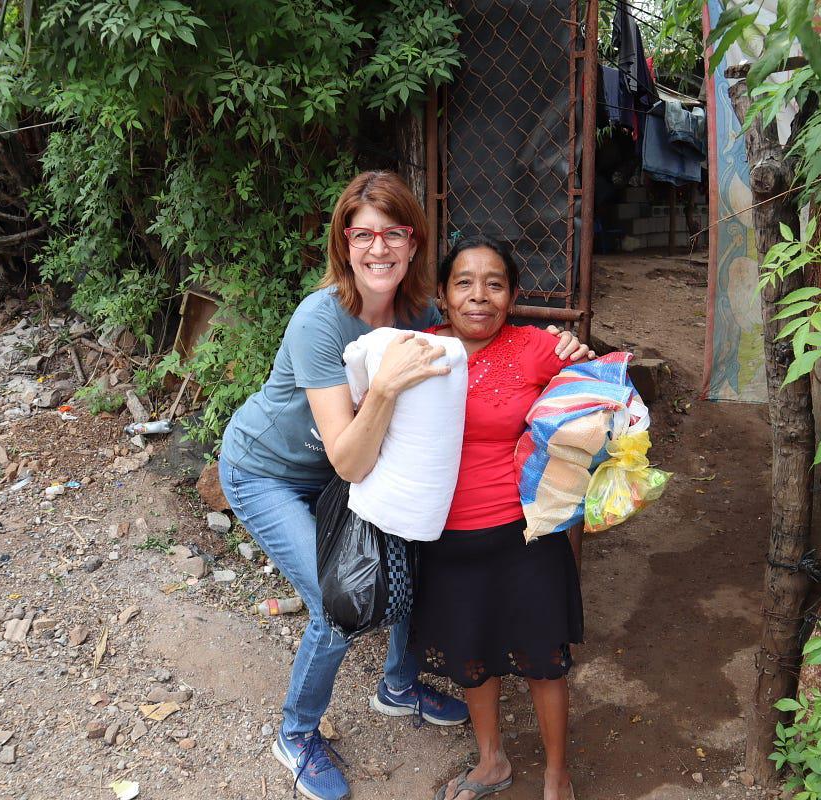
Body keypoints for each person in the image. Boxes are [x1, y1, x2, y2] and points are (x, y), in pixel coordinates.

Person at [218, 172, 588, 800]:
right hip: (274, 470)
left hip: (350, 471)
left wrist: (559, 346)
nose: (379, 248)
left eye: (393, 233)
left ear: (414, 244)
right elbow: (348, 458)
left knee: (411, 561)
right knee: (339, 602)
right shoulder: (321, 322)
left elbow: (486, 334)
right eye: (363, 235)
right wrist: (385, 387)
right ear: (344, 244)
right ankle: (297, 733)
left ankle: (398, 685)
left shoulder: (420, 311)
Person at [411, 235, 585, 800]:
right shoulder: (419, 352)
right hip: (445, 539)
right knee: (472, 659)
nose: (478, 296)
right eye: (463, 282)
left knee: (543, 662)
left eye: (494, 283)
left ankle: (557, 777)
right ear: (442, 294)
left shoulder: (535, 348)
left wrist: (577, 353)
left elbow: (599, 396)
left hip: (525, 537)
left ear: (511, 296)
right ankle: (493, 763)